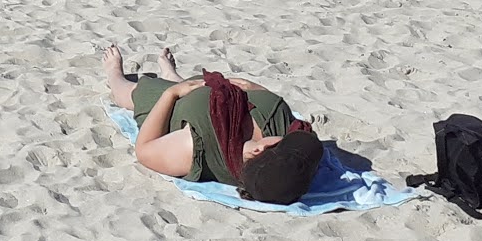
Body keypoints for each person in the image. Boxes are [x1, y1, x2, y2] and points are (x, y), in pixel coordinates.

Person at [100, 44, 325, 204]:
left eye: (287, 142)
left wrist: (171, 94)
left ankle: (114, 73)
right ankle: (170, 73)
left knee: (130, 92)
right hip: (208, 91)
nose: (291, 135)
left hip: (173, 106)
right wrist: (254, 88)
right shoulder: (282, 128)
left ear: (260, 150)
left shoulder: (195, 149)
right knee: (189, 85)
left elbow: (144, 150)